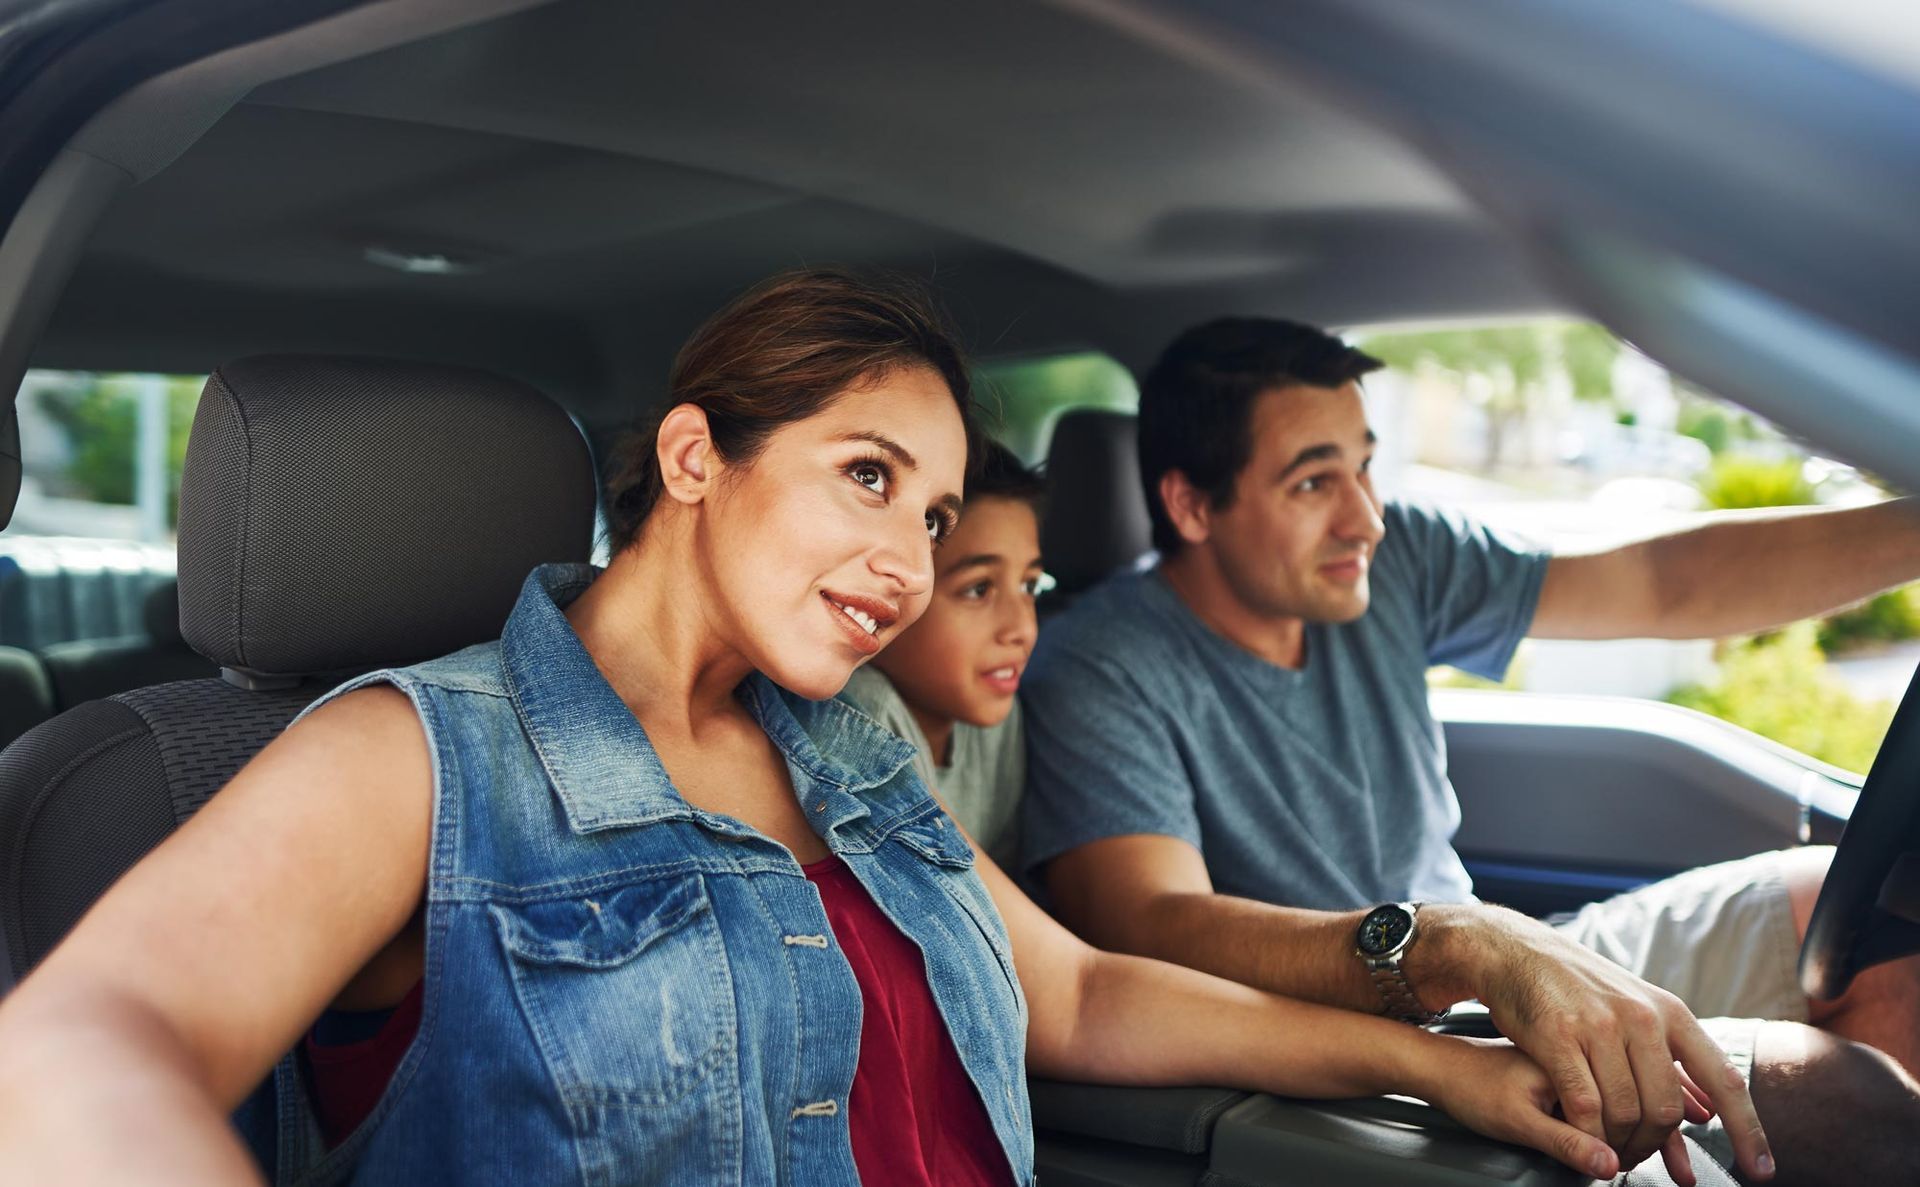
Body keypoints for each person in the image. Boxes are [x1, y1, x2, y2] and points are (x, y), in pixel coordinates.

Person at [0, 273, 1747, 1186]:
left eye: (932, 514)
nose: (908, 564)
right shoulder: (422, 757)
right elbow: (82, 1047)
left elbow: (1073, 991)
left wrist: (1434, 1051)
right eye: (865, 481)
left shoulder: (848, 750)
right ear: (696, 459)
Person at [1019, 315, 1920, 1186]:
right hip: (1356, 1040)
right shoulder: (1099, 665)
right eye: (1312, 482)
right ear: (1190, 503)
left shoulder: (1390, 557)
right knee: (1838, 1098)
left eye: (1365, 466)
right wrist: (1446, 944)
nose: (1364, 518)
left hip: (1487, 956)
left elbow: (1660, 583)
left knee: (1848, 907)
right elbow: (1148, 918)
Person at [839, 439, 1044, 871]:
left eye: (1030, 587)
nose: (1022, 629)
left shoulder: (995, 711)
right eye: (978, 589)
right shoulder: (863, 711)